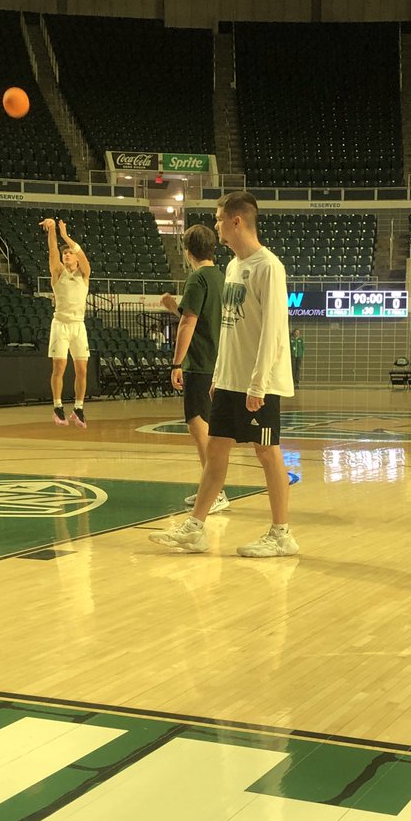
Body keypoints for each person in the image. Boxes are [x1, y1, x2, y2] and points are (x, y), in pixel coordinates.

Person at [150, 190, 298, 557]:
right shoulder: (232, 267)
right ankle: (195, 528)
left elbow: (273, 331)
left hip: (259, 383)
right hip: (230, 379)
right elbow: (231, 330)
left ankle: (282, 534)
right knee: (216, 450)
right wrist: (219, 375)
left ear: (236, 221)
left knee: (268, 453)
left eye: (218, 220)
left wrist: (258, 384)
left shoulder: (269, 267)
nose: (215, 227)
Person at [159, 223, 229, 514]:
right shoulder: (222, 278)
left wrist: (176, 363)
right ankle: (210, 489)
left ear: (187, 252)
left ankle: (216, 492)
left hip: (200, 364)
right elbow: (203, 318)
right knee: (209, 426)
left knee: (198, 424)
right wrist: (174, 307)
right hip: (218, 362)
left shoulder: (197, 279)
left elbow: (189, 323)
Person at [41, 217, 90, 428]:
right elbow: (53, 251)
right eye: (65, 254)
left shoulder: (84, 274)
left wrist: (65, 236)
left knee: (82, 369)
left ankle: (78, 408)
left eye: (70, 253)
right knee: (59, 366)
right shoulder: (58, 272)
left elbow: (82, 255)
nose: (67, 255)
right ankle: (57, 406)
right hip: (60, 324)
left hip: (79, 325)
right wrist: (52, 230)